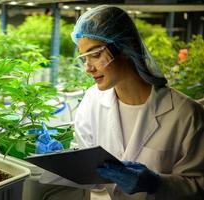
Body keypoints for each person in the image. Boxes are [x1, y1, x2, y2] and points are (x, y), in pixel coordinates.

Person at [72, 5, 204, 200]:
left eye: (96, 55)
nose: (88, 68)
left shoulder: (186, 114)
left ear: (124, 48)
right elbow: (92, 176)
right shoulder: (92, 101)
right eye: (84, 58)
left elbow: (199, 186)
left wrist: (157, 183)